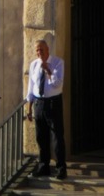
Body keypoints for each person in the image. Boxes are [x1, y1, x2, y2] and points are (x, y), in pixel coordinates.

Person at [26, 38, 66, 179]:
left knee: (56, 136)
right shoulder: (33, 65)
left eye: (41, 50)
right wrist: (29, 108)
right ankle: (43, 166)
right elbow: (31, 87)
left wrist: (48, 69)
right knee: (41, 137)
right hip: (39, 103)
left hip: (53, 103)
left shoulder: (58, 63)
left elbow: (58, 84)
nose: (39, 53)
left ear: (47, 50)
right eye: (37, 50)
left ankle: (61, 168)